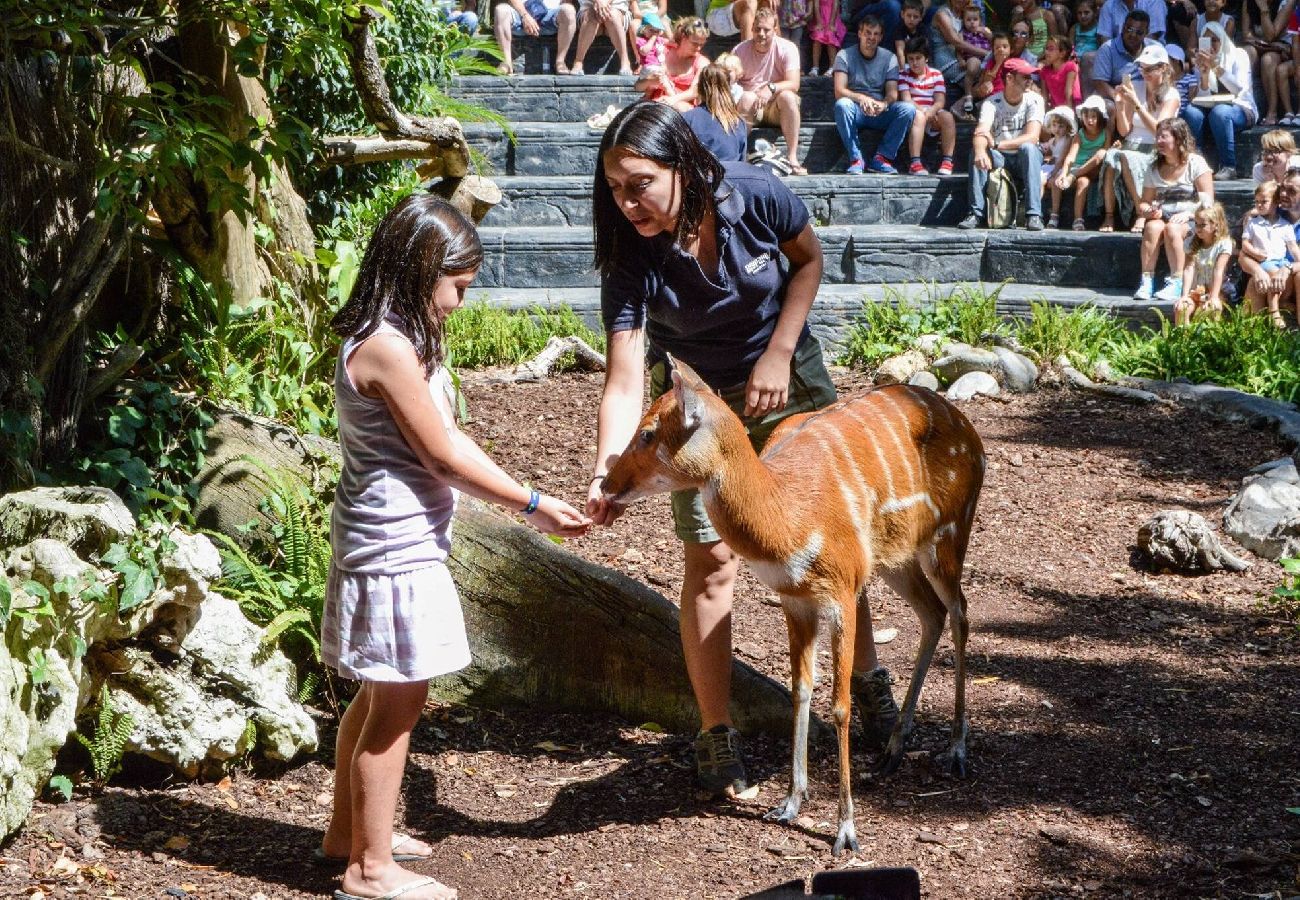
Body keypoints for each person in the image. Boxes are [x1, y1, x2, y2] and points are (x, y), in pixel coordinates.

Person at [588, 101, 901, 797]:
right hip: (697, 412)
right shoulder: (630, 257)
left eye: (638, 183)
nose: (626, 201)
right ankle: (715, 730)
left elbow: (809, 263)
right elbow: (625, 376)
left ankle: (867, 678)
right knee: (711, 560)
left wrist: (780, 354)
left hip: (787, 382)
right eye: (614, 188)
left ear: (683, 167)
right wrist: (606, 473)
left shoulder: (755, 193)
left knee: (834, 546)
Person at [320, 195, 590, 900]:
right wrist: (531, 506)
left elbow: (448, 440)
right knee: (397, 707)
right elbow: (441, 454)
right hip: (393, 548)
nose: (461, 304)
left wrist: (529, 496)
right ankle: (370, 871)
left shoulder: (393, 336)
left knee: (378, 696)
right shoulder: (383, 345)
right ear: (419, 271)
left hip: (394, 541)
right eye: (458, 287)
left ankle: (349, 834)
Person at [959, 57, 1047, 230]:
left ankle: (1034, 215)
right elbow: (981, 132)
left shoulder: (1035, 100)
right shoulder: (991, 103)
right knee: (977, 151)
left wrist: (998, 145)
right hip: (1001, 160)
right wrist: (980, 152)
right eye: (1025, 77)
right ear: (1009, 78)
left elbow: (1032, 137)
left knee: (1029, 148)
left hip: (1023, 158)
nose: (1030, 81)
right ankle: (975, 213)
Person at [1131, 117, 1213, 301]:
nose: (1158, 141)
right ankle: (1146, 280)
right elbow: (1144, 202)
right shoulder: (1154, 168)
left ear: (1178, 139)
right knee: (1152, 227)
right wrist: (1149, 211)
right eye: (1157, 136)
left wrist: (1189, 214)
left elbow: (1208, 202)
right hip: (1163, 214)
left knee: (1172, 228)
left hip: (1192, 218)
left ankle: (1177, 281)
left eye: (1164, 137)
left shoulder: (1196, 163)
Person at [1103, 41, 1179, 232]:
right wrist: (1120, 105)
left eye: (1149, 69)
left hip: (1155, 147)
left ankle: (1141, 212)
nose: (1144, 74)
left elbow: (1159, 130)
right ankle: (1109, 216)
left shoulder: (1171, 94)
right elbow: (1124, 130)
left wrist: (1136, 104)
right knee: (1111, 156)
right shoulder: (1136, 87)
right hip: (1131, 144)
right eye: (1142, 69)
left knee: (1126, 157)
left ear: (1163, 68)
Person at [832, 15, 918, 173]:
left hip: (879, 110)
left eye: (876, 34)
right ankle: (856, 158)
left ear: (881, 37)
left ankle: (882, 157)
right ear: (859, 33)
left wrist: (884, 103)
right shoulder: (844, 55)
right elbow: (839, 90)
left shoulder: (890, 58)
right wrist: (861, 98)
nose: (871, 37)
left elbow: (893, 93)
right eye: (867, 32)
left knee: (908, 109)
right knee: (842, 105)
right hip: (855, 109)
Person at [1181, 21, 1258, 180]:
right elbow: (1202, 98)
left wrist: (1216, 67)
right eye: (1207, 40)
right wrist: (1203, 74)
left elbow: (1239, 89)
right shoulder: (1200, 59)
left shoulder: (1238, 54)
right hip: (1209, 108)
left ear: (1222, 39)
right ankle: (1198, 163)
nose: (1212, 44)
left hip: (1241, 108)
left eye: (1215, 40)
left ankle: (1228, 166)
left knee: (1220, 112)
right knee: (1191, 112)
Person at [736, 7, 808, 173]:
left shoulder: (787, 48)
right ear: (752, 28)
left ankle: (792, 158)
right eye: (758, 29)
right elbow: (729, 82)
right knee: (746, 98)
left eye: (766, 30)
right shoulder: (740, 50)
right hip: (750, 107)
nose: (761, 33)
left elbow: (794, 83)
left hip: (776, 106)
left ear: (775, 30)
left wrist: (771, 88)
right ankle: (739, 156)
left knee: (789, 97)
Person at [1241, 179, 1300, 325]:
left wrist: (1289, 267)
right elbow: (1243, 255)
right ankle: (1250, 336)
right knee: (1256, 282)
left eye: (1291, 191)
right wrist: (1256, 269)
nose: (1284, 194)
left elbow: (1294, 250)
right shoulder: (1255, 221)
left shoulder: (1284, 226)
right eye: (1282, 190)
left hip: (1288, 272)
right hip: (1267, 268)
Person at [899, 35, 956, 174]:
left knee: (948, 117)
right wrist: (925, 113)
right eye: (911, 59)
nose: (914, 63)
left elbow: (940, 101)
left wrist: (931, 111)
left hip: (932, 111)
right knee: (919, 117)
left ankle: (947, 161)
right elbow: (907, 99)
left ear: (926, 58)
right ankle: (915, 163)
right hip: (916, 113)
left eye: (918, 58)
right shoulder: (903, 75)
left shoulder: (936, 74)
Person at [1055, 93, 1113, 230]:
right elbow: (1071, 156)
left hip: (1094, 169)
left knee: (1101, 154)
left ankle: (1074, 175)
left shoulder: (1106, 133)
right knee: (1082, 181)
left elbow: (1104, 154)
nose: (1090, 120)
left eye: (1093, 117)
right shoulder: (1080, 134)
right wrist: (1064, 173)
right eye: (1087, 116)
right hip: (1078, 168)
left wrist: (1072, 174)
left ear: (1099, 117)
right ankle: (1077, 219)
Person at [1174, 202, 1233, 324]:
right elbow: (1189, 268)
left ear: (1215, 225)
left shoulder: (1223, 244)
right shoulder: (1192, 243)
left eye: (1203, 225)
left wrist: (1214, 296)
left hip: (1216, 290)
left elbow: (1219, 270)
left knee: (1209, 309)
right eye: (1196, 224)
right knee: (1181, 309)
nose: (1198, 229)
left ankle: (1209, 340)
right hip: (1195, 290)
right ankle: (1182, 339)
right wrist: (1184, 295)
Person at [1239, 0, 1296, 125]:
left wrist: (1264, 10)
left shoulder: (1287, 2)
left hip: (1282, 47)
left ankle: (1272, 112)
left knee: (1268, 59)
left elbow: (1272, 35)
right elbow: (1246, 34)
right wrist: (1264, 44)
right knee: (1247, 52)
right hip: (1262, 44)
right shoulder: (1248, 3)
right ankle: (1246, 105)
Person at [928, 0, 987, 119]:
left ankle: (964, 104)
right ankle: (960, 106)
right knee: (980, 75)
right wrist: (987, 54)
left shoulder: (965, 14)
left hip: (963, 57)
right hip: (946, 60)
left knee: (987, 72)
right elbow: (956, 41)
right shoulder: (942, 14)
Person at [637, 16, 711, 111]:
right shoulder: (661, 51)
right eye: (695, 43)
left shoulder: (702, 62)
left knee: (678, 107)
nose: (699, 48)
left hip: (683, 108)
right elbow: (638, 86)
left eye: (701, 44)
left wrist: (672, 99)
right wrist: (651, 81)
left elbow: (694, 91)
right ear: (683, 38)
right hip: (655, 103)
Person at [684, 63, 750, 160]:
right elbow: (741, 162)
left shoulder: (687, 119)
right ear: (729, 88)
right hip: (733, 174)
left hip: (701, 174)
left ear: (700, 88)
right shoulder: (739, 122)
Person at [493, 0, 577, 76]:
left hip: (550, 17)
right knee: (501, 10)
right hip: (520, 15)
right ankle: (506, 62)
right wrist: (525, 16)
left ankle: (560, 61)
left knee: (569, 10)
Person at [1091, 9, 1155, 101]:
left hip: (1148, 97)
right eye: (1129, 29)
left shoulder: (1155, 48)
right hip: (1118, 97)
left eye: (1139, 32)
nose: (1132, 35)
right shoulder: (1107, 49)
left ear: (1146, 32)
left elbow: (1165, 77)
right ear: (1123, 27)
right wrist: (1119, 98)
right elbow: (1100, 83)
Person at [572, 0, 634, 75]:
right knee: (591, 14)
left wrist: (605, 2)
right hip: (587, 11)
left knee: (612, 15)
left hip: (619, 12)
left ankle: (625, 61)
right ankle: (578, 61)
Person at [1040, 104, 1076, 226]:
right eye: (1054, 125)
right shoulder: (1051, 140)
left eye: (1061, 126)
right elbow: (1049, 153)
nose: (1057, 129)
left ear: (1068, 127)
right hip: (1052, 165)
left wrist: (1054, 173)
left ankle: (1054, 215)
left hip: (1061, 167)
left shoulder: (1068, 139)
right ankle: (1037, 211)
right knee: (1039, 179)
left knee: (1055, 182)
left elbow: (1061, 159)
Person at [1038, 34, 1080, 107]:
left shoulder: (1070, 66)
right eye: (1046, 49)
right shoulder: (1044, 71)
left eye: (1051, 49)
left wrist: (1069, 114)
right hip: (1055, 110)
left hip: (1071, 109)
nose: (1046, 52)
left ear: (1062, 53)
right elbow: (1045, 96)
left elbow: (1068, 92)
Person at [809, 0, 849, 75]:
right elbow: (816, 5)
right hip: (820, 17)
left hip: (832, 19)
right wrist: (818, 22)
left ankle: (832, 67)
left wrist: (831, 23)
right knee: (817, 37)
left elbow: (835, 5)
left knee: (830, 37)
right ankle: (815, 67)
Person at [1098, 0, 1166, 42]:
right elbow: (1105, 39)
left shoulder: (1154, 2)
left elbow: (1153, 37)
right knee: (1089, 57)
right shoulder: (1109, 5)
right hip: (1118, 53)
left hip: (1149, 52)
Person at [973, 31, 1012, 100]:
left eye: (1005, 47)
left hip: (1007, 98)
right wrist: (998, 63)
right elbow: (987, 82)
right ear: (993, 51)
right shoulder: (991, 63)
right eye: (997, 48)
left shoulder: (1014, 63)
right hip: (992, 98)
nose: (1001, 50)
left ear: (1011, 49)